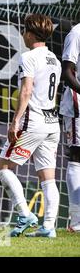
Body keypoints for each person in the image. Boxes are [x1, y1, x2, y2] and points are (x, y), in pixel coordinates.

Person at [0, 14, 61, 238]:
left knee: (4, 168)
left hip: (33, 121)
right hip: (53, 123)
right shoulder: (54, 58)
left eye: (24, 31)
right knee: (48, 177)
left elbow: (26, 91)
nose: (23, 35)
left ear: (30, 34)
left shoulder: (29, 57)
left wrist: (15, 121)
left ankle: (25, 214)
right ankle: (49, 227)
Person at [59, 21, 80, 233]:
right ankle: (76, 221)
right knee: (77, 157)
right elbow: (67, 72)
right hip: (78, 106)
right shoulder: (76, 33)